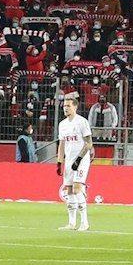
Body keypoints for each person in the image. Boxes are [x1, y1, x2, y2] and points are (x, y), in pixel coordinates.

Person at [56, 95, 93, 231]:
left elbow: (89, 143)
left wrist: (78, 159)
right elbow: (62, 144)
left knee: (77, 189)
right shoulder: (62, 124)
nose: (66, 108)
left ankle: (84, 222)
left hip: (81, 160)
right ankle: (71, 223)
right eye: (64, 106)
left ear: (75, 107)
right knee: (69, 190)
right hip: (69, 160)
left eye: (68, 106)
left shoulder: (82, 122)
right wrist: (59, 162)